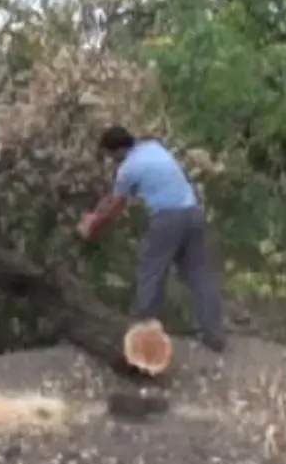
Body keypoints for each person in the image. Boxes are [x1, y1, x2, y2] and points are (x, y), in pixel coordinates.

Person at [78, 125, 227, 353]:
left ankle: (148, 335)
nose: (110, 161)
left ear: (116, 151)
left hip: (167, 218)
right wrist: (96, 212)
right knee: (200, 275)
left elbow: (116, 207)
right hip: (192, 212)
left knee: (151, 272)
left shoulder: (128, 168)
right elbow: (113, 196)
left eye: (109, 156)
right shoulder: (153, 148)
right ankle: (214, 335)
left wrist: (92, 226)